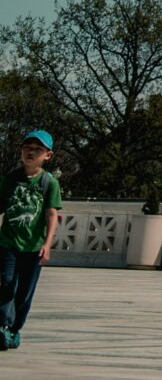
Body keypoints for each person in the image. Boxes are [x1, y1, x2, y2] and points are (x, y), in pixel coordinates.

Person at [1, 130, 63, 352]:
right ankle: (3, 325)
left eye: (38, 149)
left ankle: (14, 329)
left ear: (47, 155)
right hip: (8, 243)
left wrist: (47, 244)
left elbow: (52, 214)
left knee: (25, 292)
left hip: (34, 247)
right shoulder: (9, 180)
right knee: (6, 283)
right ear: (21, 150)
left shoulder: (49, 183)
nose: (31, 152)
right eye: (28, 147)